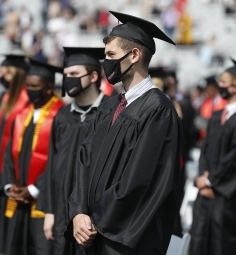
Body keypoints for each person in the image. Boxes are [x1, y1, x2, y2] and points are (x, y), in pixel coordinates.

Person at [66, 11, 181, 255]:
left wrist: (96, 220)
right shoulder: (109, 106)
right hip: (91, 232)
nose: (106, 62)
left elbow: (139, 181)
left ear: (135, 55)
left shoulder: (158, 111)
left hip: (126, 239)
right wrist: (78, 212)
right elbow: (84, 159)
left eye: (111, 55)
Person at [37, 47, 107, 255]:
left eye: (74, 75)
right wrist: (49, 211)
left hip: (94, 215)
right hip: (61, 210)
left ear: (94, 75)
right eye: (66, 75)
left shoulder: (111, 114)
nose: (68, 80)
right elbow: (51, 166)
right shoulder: (62, 116)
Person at [190, 59, 236, 255]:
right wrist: (203, 179)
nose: (221, 86)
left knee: (222, 244)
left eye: (225, 82)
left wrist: (211, 181)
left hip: (225, 195)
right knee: (199, 241)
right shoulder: (218, 115)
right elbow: (205, 151)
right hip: (206, 192)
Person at [2, 59, 64, 255]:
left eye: (35, 86)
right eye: (27, 85)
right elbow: (8, 155)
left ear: (48, 87)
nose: (29, 90)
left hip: (44, 202)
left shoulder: (61, 116)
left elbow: (60, 160)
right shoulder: (22, 115)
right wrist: (10, 185)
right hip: (19, 198)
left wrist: (35, 189)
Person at [0, 54, 29, 253]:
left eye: (6, 73)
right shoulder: (6, 98)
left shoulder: (25, 99)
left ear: (17, 74)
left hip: (10, 168)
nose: (1, 77)